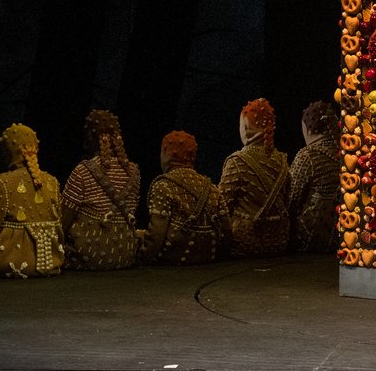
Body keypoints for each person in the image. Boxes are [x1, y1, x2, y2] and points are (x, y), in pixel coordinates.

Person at [0, 123, 65, 278]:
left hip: (10, 262)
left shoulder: (3, 182)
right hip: (52, 261)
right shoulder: (52, 182)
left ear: (8, 151)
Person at [61, 108, 141, 270]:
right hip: (125, 255)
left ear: (89, 137)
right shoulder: (134, 172)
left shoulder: (82, 171)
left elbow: (63, 221)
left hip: (87, 255)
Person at [139, 130, 228, 265]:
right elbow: (226, 230)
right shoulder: (211, 187)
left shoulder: (163, 185)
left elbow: (156, 234)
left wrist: (142, 257)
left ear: (166, 155)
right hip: (209, 257)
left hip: (172, 258)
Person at [219, 97, 290, 257]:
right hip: (279, 242)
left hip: (244, 244)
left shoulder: (237, 162)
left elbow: (222, 208)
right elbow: (288, 201)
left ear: (244, 126)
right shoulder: (283, 160)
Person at [288, 100, 341, 253]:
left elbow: (292, 199)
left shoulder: (308, 156)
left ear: (308, 130)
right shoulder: (348, 155)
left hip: (309, 239)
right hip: (339, 238)